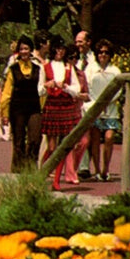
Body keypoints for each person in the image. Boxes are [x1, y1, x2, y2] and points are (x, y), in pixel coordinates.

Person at [38, 36, 80, 190]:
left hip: (66, 106)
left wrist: (66, 87)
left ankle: (56, 181)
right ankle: (42, 172)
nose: (60, 52)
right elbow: (39, 90)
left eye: (62, 49)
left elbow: (76, 90)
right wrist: (47, 85)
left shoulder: (69, 68)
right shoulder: (46, 67)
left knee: (64, 146)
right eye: (57, 48)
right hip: (52, 106)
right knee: (51, 147)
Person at [0, 34, 42, 172]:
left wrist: (43, 107)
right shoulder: (13, 69)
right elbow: (6, 92)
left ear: (31, 50)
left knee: (35, 138)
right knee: (19, 140)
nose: (24, 51)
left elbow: (42, 89)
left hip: (34, 107)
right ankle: (17, 169)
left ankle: (31, 166)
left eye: (26, 48)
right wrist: (4, 113)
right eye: (21, 49)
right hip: (17, 108)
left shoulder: (37, 68)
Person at [89, 38, 122, 182]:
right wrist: (96, 103)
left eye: (106, 52)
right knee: (95, 140)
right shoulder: (90, 69)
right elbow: (87, 86)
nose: (103, 55)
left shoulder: (115, 71)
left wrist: (108, 100)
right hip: (95, 108)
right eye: (100, 52)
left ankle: (105, 169)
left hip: (111, 109)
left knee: (109, 138)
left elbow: (119, 89)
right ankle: (96, 169)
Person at [74, 30, 100, 179]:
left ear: (88, 42)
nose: (78, 44)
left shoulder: (94, 61)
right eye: (77, 41)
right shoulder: (75, 59)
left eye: (81, 41)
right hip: (76, 100)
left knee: (89, 137)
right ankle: (80, 166)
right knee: (80, 136)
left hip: (90, 101)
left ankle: (85, 166)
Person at [65, 43, 91, 182]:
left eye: (76, 57)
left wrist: (79, 95)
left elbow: (87, 95)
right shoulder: (63, 73)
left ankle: (73, 168)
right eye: (71, 57)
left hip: (79, 111)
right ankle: (70, 174)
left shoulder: (81, 74)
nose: (73, 60)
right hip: (65, 111)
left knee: (84, 141)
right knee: (69, 142)